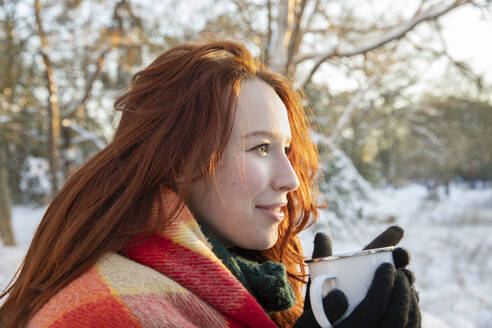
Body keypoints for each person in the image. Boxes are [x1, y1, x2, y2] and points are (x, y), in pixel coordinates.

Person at [0, 41, 420, 328]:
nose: (290, 178)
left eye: (286, 149)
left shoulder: (246, 290)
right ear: (180, 161)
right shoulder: (103, 312)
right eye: (259, 148)